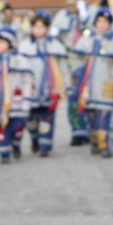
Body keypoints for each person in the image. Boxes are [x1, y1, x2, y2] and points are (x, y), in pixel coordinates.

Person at [72, 8, 113, 158]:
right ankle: (94, 141)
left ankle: (105, 144)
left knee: (104, 115)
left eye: (105, 21)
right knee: (91, 114)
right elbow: (77, 59)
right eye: (99, 21)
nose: (102, 24)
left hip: (107, 83)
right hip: (89, 85)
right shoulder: (88, 39)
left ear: (110, 24)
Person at [0, 28, 33, 164]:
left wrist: (27, 99)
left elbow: (27, 82)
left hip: (17, 101)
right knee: (1, 127)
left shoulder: (20, 61)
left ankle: (16, 143)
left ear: (11, 43)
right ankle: (4, 152)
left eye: (2, 42)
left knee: (17, 126)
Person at [19, 12, 68, 158]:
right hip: (31, 89)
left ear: (47, 28)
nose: (39, 30)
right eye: (36, 26)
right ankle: (34, 138)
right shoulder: (24, 46)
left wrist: (65, 85)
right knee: (31, 121)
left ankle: (45, 145)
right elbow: (20, 69)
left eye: (42, 27)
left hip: (49, 88)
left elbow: (63, 67)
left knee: (47, 118)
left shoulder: (55, 46)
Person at [50, 0, 95, 145]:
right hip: (68, 62)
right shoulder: (60, 16)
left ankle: (92, 130)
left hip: (87, 61)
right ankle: (77, 131)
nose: (73, 1)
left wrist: (84, 18)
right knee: (72, 97)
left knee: (88, 96)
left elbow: (96, 32)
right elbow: (53, 39)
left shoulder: (91, 14)